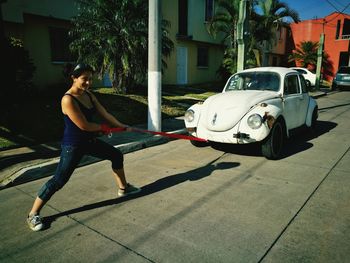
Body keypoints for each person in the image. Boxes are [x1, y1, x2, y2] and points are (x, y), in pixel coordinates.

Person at [27, 63, 141, 231]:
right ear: (73, 78)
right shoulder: (68, 99)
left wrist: (121, 125)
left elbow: (105, 113)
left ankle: (124, 188)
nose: (88, 83)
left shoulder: (88, 95)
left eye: (90, 79)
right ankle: (32, 214)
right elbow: (85, 126)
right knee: (59, 180)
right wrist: (104, 128)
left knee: (116, 155)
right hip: (73, 145)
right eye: (84, 79)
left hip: (89, 141)